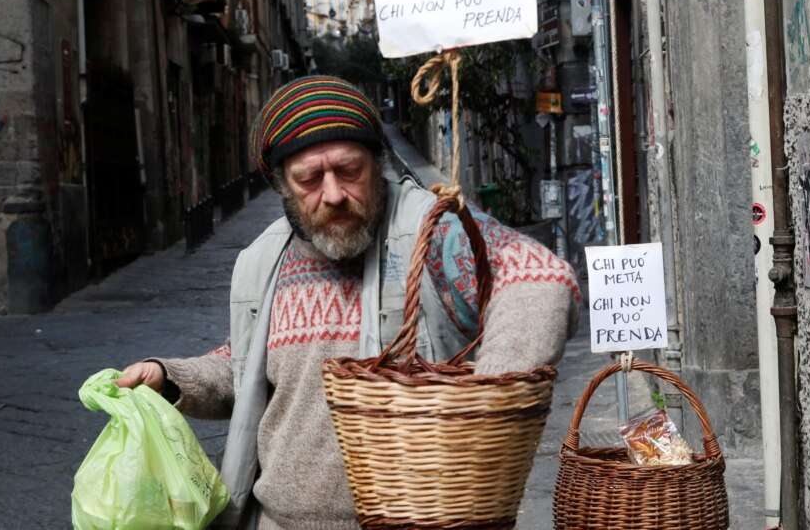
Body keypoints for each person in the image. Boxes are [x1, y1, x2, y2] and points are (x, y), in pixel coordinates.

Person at [116, 75, 581, 530]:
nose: (334, 194)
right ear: (281, 184)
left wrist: (486, 403)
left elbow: (537, 279)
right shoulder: (260, 260)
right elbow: (248, 368)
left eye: (349, 171)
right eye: (309, 179)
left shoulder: (431, 229)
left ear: (377, 163)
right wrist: (171, 377)